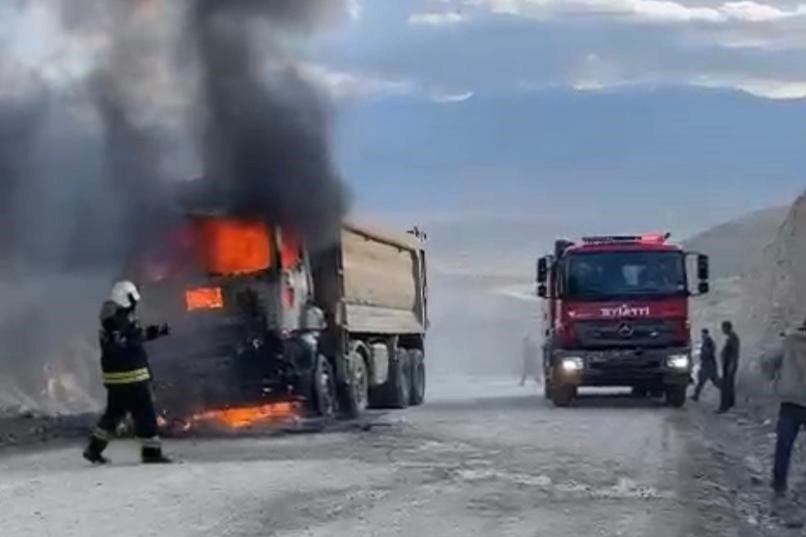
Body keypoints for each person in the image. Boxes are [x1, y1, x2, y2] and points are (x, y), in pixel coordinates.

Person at [82, 280, 173, 465]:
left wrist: (157, 332)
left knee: (114, 414)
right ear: (126, 298)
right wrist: (140, 336)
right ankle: (151, 453)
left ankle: (93, 449)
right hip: (131, 375)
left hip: (117, 378)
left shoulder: (112, 316)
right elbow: (128, 340)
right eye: (132, 300)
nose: (135, 304)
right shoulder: (116, 320)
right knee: (145, 414)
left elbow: (136, 336)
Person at [760, 321, 806, 514]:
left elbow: (766, 361)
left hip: (791, 402)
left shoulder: (788, 342)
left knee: (784, 447)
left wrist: (774, 379)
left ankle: (779, 489)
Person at [717, 320, 740, 414]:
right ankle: (730, 404)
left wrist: (731, 365)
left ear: (727, 328)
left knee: (726, 386)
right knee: (729, 385)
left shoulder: (733, 338)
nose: (722, 330)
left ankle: (724, 406)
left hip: (729, 365)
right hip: (728, 365)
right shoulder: (731, 337)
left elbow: (734, 353)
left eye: (723, 328)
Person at [692, 328, 719, 402]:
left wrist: (704, 354)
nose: (702, 335)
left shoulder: (709, 341)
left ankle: (726, 392)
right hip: (706, 364)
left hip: (709, 365)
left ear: (706, 334)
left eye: (703, 334)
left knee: (714, 381)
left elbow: (710, 351)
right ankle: (695, 396)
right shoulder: (706, 341)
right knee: (702, 381)